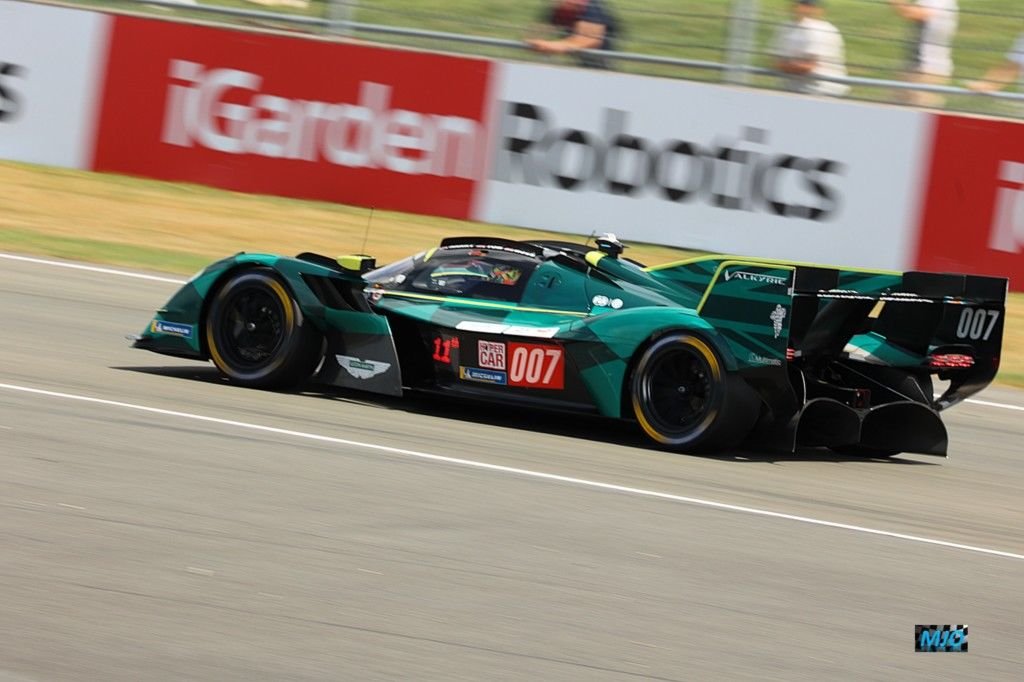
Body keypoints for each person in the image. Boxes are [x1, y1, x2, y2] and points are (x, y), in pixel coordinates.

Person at [772, 0, 849, 97]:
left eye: (808, 5)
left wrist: (786, 65)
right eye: (800, 4)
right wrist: (787, 65)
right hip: (793, 89)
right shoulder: (786, 27)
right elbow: (776, 63)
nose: (802, 8)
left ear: (819, 10)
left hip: (821, 91)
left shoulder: (819, 30)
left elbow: (807, 67)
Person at [889, 0, 959, 106]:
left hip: (929, 71)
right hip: (914, 67)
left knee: (921, 115)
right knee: (895, 111)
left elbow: (913, 13)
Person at [526, 0, 619, 69]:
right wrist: (535, 41)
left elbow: (589, 40)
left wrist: (551, 46)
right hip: (581, 59)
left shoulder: (593, 8)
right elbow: (538, 31)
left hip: (600, 61)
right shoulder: (559, 7)